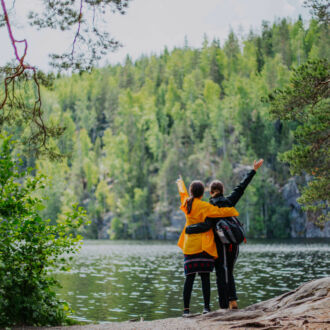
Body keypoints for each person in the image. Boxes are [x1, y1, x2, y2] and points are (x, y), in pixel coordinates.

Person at [185, 159, 263, 310]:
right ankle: (232, 301)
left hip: (221, 245)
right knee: (229, 272)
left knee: (221, 273)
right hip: (234, 244)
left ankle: (224, 306)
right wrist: (253, 170)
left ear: (211, 192)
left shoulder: (210, 207)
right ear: (222, 190)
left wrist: (190, 229)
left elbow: (206, 225)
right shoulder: (229, 201)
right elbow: (241, 187)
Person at [176, 177, 239, 316]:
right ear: (202, 193)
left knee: (189, 278)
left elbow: (183, 194)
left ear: (192, 192)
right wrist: (233, 211)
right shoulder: (204, 206)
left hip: (189, 246)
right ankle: (206, 308)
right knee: (205, 278)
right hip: (203, 246)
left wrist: (180, 183)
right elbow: (219, 212)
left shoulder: (187, 203)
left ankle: (186, 310)